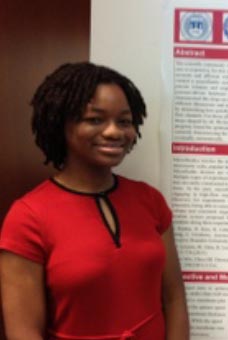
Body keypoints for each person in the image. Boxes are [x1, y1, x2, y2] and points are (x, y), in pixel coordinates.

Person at [0, 62, 189, 340]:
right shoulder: (28, 217)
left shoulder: (149, 200)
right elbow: (24, 332)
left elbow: (174, 300)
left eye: (124, 121)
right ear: (59, 123)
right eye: (95, 119)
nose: (114, 132)